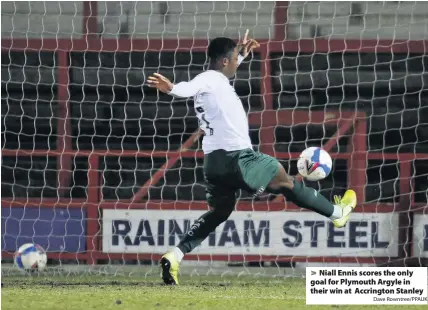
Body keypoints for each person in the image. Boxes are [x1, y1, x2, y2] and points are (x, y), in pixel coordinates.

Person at [147, 30, 356, 285]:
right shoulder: (208, 79)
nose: (237, 61)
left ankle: (175, 255)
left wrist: (243, 54)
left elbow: (214, 78)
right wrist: (171, 88)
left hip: (214, 163)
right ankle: (337, 213)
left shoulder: (217, 81)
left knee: (219, 212)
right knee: (285, 181)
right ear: (224, 61)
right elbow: (189, 87)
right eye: (234, 57)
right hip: (239, 158)